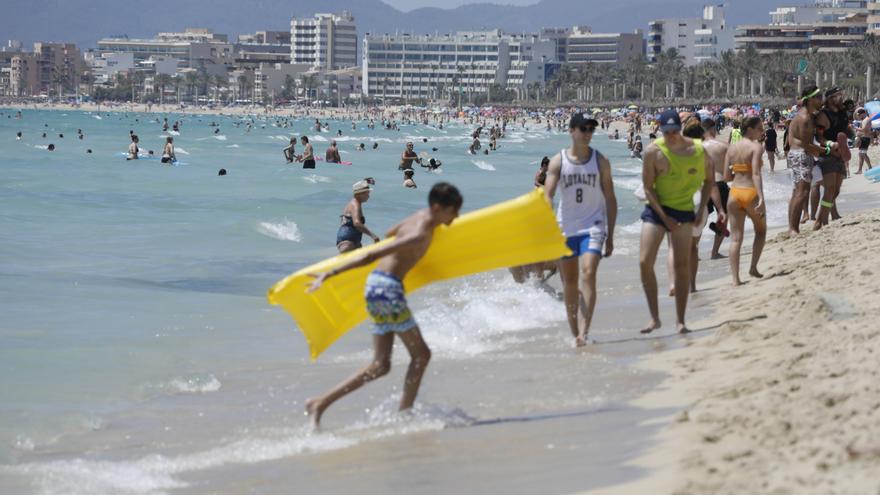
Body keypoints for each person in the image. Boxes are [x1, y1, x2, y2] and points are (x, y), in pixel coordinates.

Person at [305, 183, 463, 428]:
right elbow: (370, 255)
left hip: (376, 287)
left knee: (381, 365)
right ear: (438, 208)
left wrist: (405, 258)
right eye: (453, 211)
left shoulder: (418, 217)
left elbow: (391, 232)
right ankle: (405, 414)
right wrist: (331, 273)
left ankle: (320, 403)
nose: (457, 217)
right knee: (421, 355)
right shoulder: (421, 232)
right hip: (388, 289)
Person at [543, 113, 618, 346]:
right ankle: (575, 331)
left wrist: (610, 235)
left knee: (588, 272)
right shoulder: (558, 161)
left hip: (593, 227)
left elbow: (610, 198)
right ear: (572, 131)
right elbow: (547, 195)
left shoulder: (600, 161)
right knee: (570, 284)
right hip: (565, 229)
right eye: (583, 129)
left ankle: (584, 332)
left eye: (591, 130)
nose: (588, 134)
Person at [638, 110, 713, 335]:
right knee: (644, 261)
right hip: (657, 210)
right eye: (666, 131)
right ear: (661, 129)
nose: (671, 136)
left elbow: (710, 180)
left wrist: (701, 210)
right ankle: (655, 318)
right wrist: (663, 216)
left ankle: (680, 321)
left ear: (680, 129)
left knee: (682, 266)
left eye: (674, 131)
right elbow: (648, 188)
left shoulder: (698, 150)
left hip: (683, 211)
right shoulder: (653, 152)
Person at [723, 116, 767, 286]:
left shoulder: (731, 148)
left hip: (734, 193)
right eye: (759, 128)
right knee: (761, 231)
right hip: (750, 192)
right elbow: (756, 173)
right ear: (749, 129)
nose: (762, 131)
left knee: (735, 238)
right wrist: (761, 197)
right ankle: (753, 267)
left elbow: (726, 176)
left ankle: (735, 279)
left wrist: (740, 170)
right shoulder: (756, 147)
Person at [787, 85, 826, 236]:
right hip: (801, 155)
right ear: (810, 99)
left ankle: (791, 227)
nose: (820, 99)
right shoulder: (805, 118)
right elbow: (806, 145)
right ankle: (793, 229)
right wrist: (826, 151)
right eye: (818, 97)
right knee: (802, 193)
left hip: (799, 155)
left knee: (797, 192)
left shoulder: (804, 115)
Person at [813, 87, 851, 230]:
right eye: (837, 95)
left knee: (835, 191)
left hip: (841, 154)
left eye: (841, 94)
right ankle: (820, 221)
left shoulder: (843, 113)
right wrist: (830, 143)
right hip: (827, 155)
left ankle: (823, 216)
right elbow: (819, 136)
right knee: (829, 189)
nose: (841, 97)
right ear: (829, 99)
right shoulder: (824, 115)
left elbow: (846, 130)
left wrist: (853, 136)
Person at [701, 118, 731, 259]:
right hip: (719, 183)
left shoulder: (697, 147)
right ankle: (714, 252)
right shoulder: (723, 145)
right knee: (724, 216)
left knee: (701, 219)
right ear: (713, 129)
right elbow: (730, 170)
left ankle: (694, 252)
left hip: (703, 185)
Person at [336, 179, 381, 253]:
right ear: (358, 194)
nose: (368, 196)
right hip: (348, 242)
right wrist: (373, 236)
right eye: (367, 193)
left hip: (349, 240)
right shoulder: (355, 204)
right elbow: (356, 223)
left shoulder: (353, 204)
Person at [856, 108, 873, 174]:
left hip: (865, 138)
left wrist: (855, 128)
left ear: (863, 114)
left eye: (859, 115)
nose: (858, 116)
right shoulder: (864, 120)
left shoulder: (866, 119)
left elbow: (864, 130)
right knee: (861, 154)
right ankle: (860, 170)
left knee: (863, 154)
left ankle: (870, 167)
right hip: (863, 138)